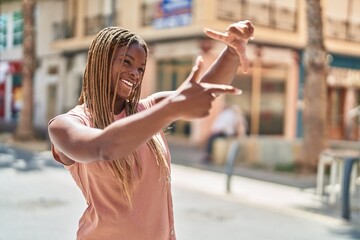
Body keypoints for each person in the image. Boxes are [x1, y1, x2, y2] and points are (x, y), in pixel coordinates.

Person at [48, 20, 254, 240]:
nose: (135, 74)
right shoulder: (65, 125)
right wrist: (171, 108)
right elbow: (103, 146)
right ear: (101, 61)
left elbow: (204, 92)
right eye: (126, 62)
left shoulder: (148, 109)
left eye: (140, 68)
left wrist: (232, 51)